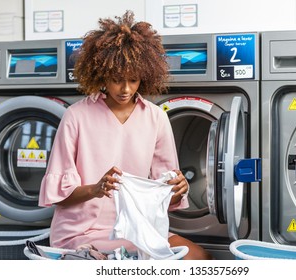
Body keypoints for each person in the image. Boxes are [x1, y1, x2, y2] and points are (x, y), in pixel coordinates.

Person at [38, 10, 212, 260]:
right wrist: (96, 189)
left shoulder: (156, 117)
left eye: (133, 80)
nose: (126, 89)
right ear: (102, 73)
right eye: (118, 79)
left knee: (199, 257)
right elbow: (59, 197)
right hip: (82, 231)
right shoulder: (76, 116)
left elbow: (165, 192)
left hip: (138, 229)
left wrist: (178, 189)